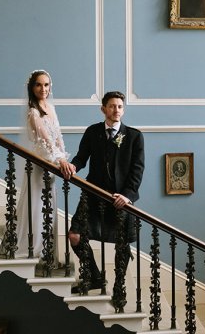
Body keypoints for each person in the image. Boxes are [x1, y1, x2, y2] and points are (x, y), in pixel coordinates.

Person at [60, 91, 145, 291]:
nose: (116, 110)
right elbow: (82, 157)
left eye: (120, 107)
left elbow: (137, 169)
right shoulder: (92, 131)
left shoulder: (134, 136)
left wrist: (127, 195)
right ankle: (95, 278)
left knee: (122, 244)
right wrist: (72, 166)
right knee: (75, 235)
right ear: (103, 109)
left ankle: (119, 287)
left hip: (120, 198)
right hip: (93, 194)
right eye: (112, 106)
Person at [3, 70, 70, 265]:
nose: (44, 89)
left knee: (49, 205)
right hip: (40, 163)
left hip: (53, 163)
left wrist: (63, 157)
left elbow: (58, 137)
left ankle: (47, 249)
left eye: (47, 85)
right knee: (38, 206)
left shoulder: (50, 107)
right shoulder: (33, 112)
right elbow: (45, 141)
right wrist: (59, 160)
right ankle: (32, 247)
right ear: (32, 88)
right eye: (39, 85)